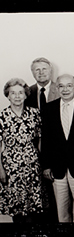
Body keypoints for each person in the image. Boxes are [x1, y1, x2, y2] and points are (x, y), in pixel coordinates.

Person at [41, 74, 74, 222]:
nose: (65, 89)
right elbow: (45, 140)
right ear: (57, 88)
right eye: (61, 86)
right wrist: (46, 166)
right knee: (62, 213)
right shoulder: (48, 109)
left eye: (69, 85)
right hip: (57, 168)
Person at [0, 78, 44, 223]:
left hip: (32, 165)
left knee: (34, 209)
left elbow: (40, 139)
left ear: (26, 95)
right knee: (16, 209)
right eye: (13, 93)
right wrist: (1, 171)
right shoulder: (2, 117)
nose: (17, 96)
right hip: (11, 167)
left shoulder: (34, 114)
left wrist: (41, 162)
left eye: (20, 93)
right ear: (7, 95)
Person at [24, 57, 60, 222]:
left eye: (44, 69)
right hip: (32, 149)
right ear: (32, 72)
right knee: (36, 192)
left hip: (55, 147)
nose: (40, 72)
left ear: (50, 70)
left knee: (54, 192)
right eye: (36, 70)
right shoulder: (26, 93)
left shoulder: (61, 89)